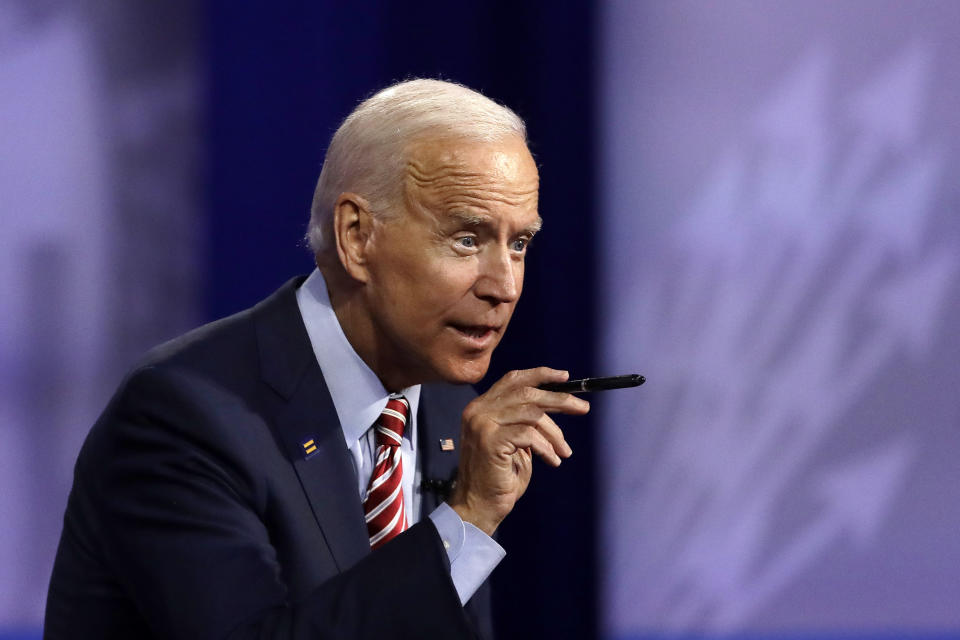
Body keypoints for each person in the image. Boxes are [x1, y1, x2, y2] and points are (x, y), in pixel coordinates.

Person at [44, 79, 589, 639]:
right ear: (356, 236)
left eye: (519, 244)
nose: (504, 286)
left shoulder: (451, 409)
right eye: (468, 239)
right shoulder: (184, 415)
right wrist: (467, 520)